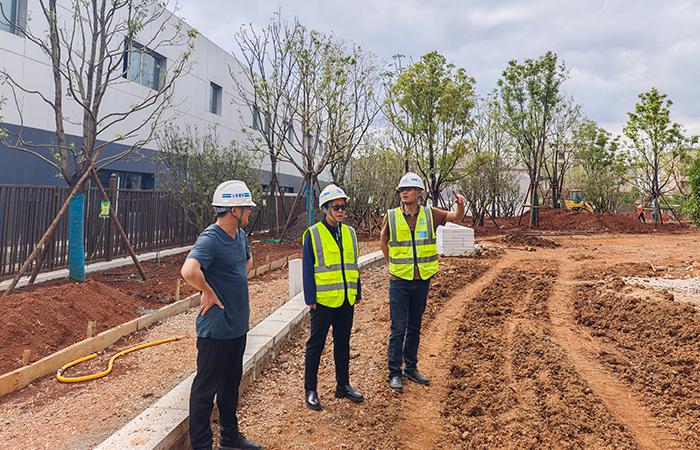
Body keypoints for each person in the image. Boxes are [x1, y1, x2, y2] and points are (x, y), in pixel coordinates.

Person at [180, 180, 262, 450]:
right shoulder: (211, 238)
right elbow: (188, 270)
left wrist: (232, 282)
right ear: (234, 210)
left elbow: (247, 261)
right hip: (216, 331)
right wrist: (208, 290)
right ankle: (202, 446)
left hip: (237, 326)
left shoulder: (239, 235)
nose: (250, 212)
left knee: (230, 385)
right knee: (205, 391)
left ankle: (230, 437)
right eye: (247, 208)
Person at [380, 172, 465, 392]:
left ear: (419, 193)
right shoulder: (392, 216)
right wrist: (391, 265)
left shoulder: (431, 214)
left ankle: (410, 368)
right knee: (398, 328)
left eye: (408, 189)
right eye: (401, 190)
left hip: (421, 280)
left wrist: (460, 206)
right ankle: (394, 373)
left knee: (414, 327)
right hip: (399, 281)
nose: (404, 192)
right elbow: (383, 240)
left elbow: (456, 217)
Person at [303, 184, 364, 410]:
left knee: (343, 343)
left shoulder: (350, 233)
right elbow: (307, 269)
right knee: (316, 345)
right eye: (336, 207)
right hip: (323, 302)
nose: (340, 211)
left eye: (343, 207)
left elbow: (353, 264)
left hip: (346, 299)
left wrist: (357, 291)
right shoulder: (313, 234)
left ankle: (343, 386)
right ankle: (310, 390)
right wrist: (310, 298)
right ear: (325, 209)